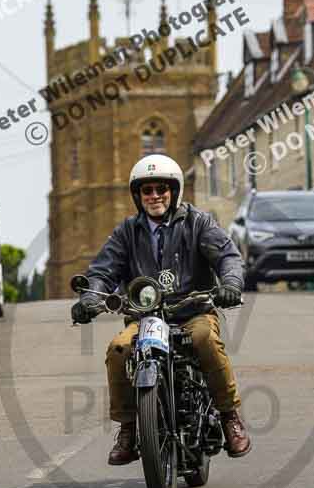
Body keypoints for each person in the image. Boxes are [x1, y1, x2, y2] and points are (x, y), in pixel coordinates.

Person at [71, 154, 251, 465]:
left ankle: (228, 415)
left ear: (174, 190)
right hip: (145, 318)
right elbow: (103, 271)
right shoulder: (127, 232)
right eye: (147, 191)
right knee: (118, 349)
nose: (155, 196)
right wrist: (91, 297)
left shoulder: (198, 222)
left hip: (193, 311)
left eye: (161, 189)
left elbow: (227, 256)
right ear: (138, 196)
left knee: (205, 339)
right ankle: (128, 428)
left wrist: (230, 283)